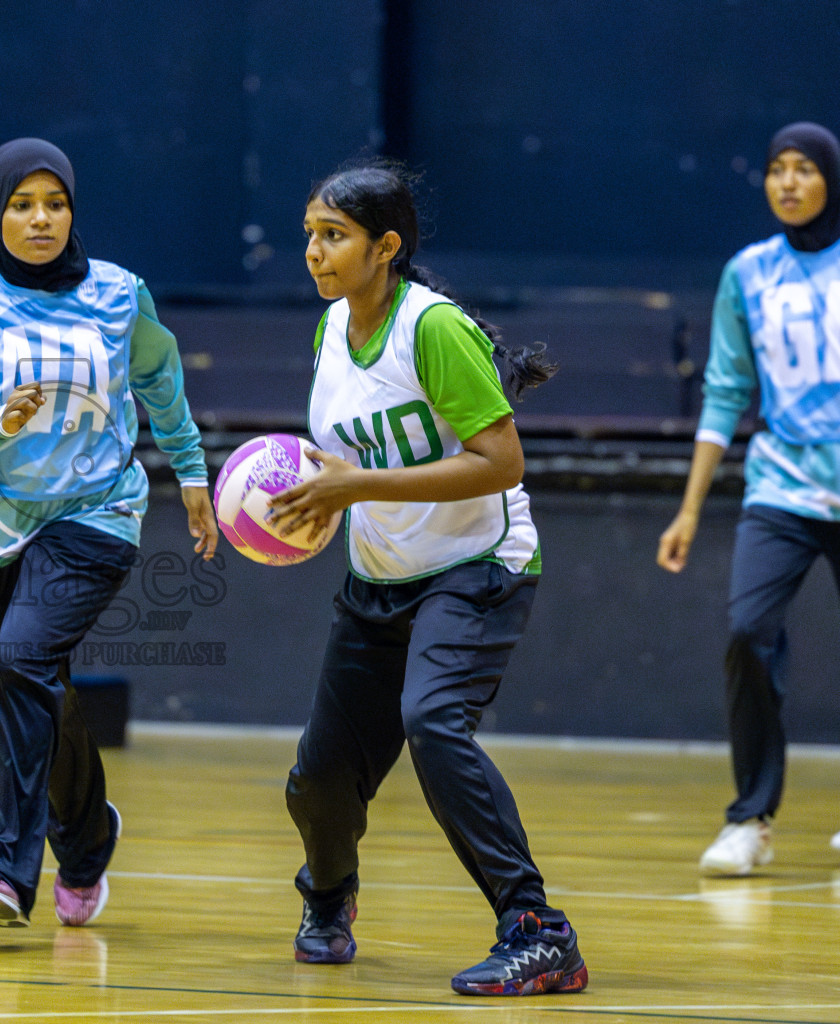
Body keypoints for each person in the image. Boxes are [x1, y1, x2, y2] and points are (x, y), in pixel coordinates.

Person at [265, 161, 587, 996]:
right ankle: (328, 899)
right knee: (319, 779)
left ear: (387, 246)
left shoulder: (432, 330)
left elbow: (501, 461)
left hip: (478, 564)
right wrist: (315, 498)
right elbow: (353, 457)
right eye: (309, 234)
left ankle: (537, 929)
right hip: (380, 576)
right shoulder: (332, 329)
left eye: (333, 236)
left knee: (434, 720)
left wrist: (357, 485)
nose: (314, 252)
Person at [0, 137, 218, 928]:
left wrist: (192, 476)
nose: (41, 218)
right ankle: (89, 841)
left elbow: (161, 382)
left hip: (97, 513)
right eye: (22, 204)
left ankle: (3, 874)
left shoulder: (121, 295)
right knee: (37, 685)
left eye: (55, 203)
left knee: (20, 663)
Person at [657, 121, 840, 876]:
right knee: (746, 630)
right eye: (776, 169)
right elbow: (727, 389)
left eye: (804, 169)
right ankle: (750, 818)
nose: (788, 182)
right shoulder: (749, 273)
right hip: (781, 486)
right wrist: (691, 508)